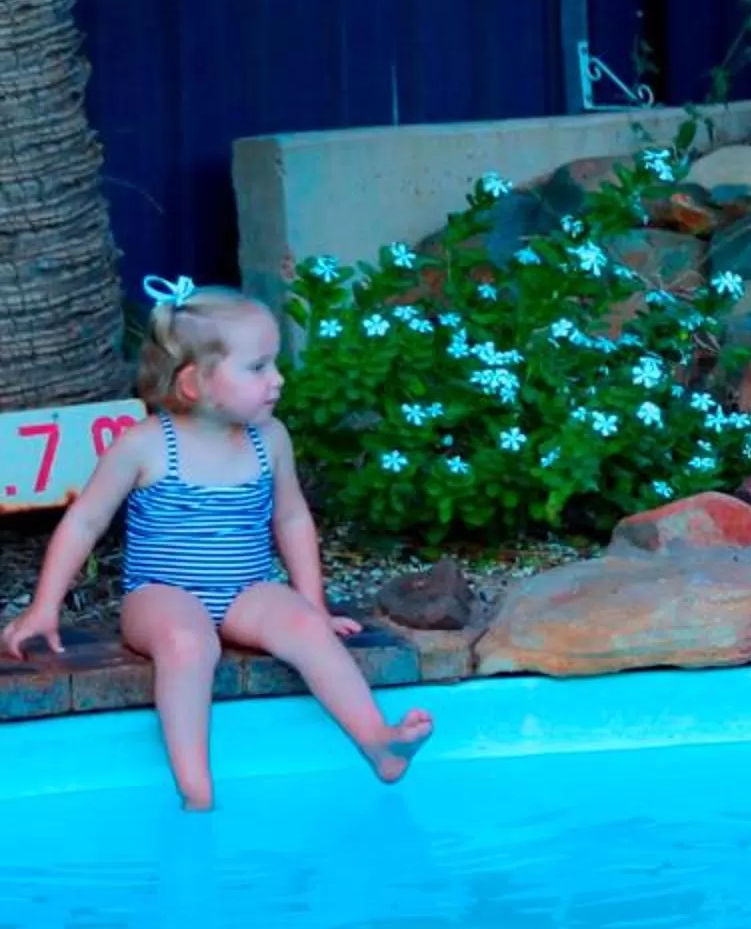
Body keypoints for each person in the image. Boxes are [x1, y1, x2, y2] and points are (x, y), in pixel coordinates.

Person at [0, 278, 433, 810]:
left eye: (273, 364)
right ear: (193, 382)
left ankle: (378, 743)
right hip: (160, 593)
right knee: (188, 642)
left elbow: (292, 518)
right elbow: (85, 521)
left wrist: (312, 601)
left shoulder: (268, 438)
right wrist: (45, 607)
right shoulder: (146, 445)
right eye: (257, 367)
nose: (276, 380)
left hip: (245, 587)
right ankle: (196, 787)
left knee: (302, 625)